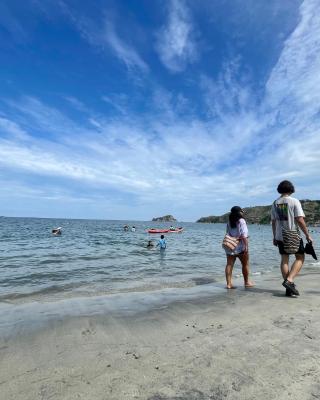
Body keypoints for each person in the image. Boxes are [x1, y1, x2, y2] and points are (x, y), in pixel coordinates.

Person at [271, 180, 313, 297]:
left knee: (284, 260)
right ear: (291, 189)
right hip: (292, 234)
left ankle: (289, 289)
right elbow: (299, 219)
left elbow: (273, 222)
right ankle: (289, 280)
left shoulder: (275, 203)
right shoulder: (294, 201)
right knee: (300, 257)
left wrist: (274, 236)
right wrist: (307, 234)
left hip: (280, 235)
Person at [224, 206, 254, 289]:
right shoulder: (241, 221)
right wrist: (246, 247)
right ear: (239, 212)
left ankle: (229, 284)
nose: (242, 213)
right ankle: (246, 282)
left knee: (229, 265)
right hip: (240, 246)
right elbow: (244, 235)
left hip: (230, 245)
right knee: (245, 264)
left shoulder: (229, 221)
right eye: (242, 211)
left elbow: (228, 233)